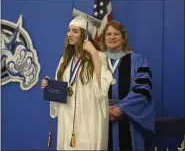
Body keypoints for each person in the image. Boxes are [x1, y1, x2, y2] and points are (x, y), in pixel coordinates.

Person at [41, 11, 113, 150]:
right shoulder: (65, 60)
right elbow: (61, 88)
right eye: (69, 31)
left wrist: (93, 54)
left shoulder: (99, 57)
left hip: (89, 114)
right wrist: (49, 85)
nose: (70, 34)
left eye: (75, 31)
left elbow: (102, 87)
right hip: (67, 114)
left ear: (85, 35)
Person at [100, 20, 155, 151]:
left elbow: (143, 89)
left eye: (116, 34)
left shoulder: (137, 60)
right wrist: (102, 109)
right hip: (101, 120)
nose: (112, 37)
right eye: (108, 34)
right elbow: (88, 91)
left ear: (123, 38)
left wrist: (121, 108)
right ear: (104, 38)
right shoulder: (97, 61)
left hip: (129, 120)